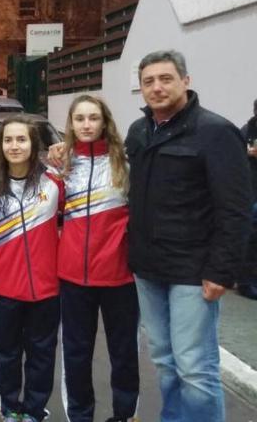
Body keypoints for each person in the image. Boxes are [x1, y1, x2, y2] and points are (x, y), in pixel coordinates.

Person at [126, 50, 250, 421]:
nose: (157, 87)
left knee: (195, 366)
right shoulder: (139, 132)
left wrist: (222, 271)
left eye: (165, 79)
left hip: (193, 272)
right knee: (164, 360)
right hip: (149, 268)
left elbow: (235, 208)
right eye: (149, 81)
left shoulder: (215, 132)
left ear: (185, 81)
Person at [57, 95, 138, 422]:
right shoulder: (62, 166)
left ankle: (124, 415)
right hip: (73, 277)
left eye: (93, 118)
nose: (87, 124)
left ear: (104, 122)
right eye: (80, 118)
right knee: (76, 355)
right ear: (72, 124)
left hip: (120, 276)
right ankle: (80, 415)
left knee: (124, 356)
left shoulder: (126, 164)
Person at [0, 116, 63, 422]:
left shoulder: (55, 182)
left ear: (33, 145)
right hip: (3, 289)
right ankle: (10, 408)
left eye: (21, 139)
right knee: (7, 355)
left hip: (46, 288)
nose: (14, 146)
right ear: (0, 145)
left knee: (42, 355)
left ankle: (34, 409)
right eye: (8, 140)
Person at [238, 99, 257, 300]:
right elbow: (233, 156)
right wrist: (249, 153)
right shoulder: (247, 130)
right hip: (252, 192)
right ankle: (245, 282)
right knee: (251, 238)